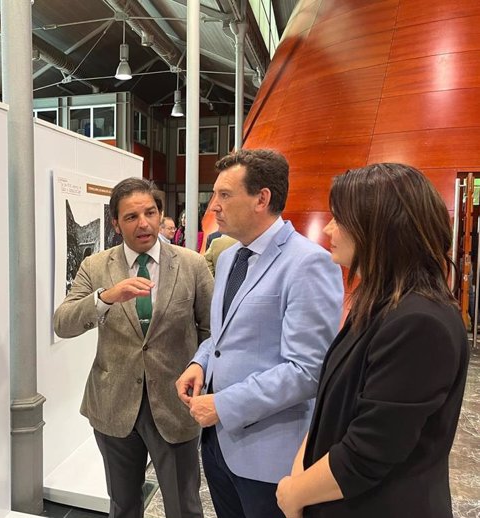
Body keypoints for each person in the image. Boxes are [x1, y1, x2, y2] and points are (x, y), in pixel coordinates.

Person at [275, 163, 470, 518]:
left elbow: (370, 449)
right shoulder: (379, 303)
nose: (330, 228)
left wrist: (294, 493)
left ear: (379, 228)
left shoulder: (419, 323)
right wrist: (300, 474)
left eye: (340, 218)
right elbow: (333, 408)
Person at [175, 149, 344, 518]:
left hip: (270, 457)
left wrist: (224, 404)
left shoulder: (307, 264)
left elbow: (308, 370)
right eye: (214, 194)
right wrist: (199, 362)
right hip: (219, 447)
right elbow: (222, 335)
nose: (213, 205)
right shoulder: (229, 257)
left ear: (262, 198)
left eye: (224, 195)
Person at [54, 177, 214, 518]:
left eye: (150, 212)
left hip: (175, 404)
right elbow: (63, 322)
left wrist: (201, 375)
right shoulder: (95, 267)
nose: (143, 223)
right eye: (131, 216)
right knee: (123, 506)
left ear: (160, 214)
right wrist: (106, 298)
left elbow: (212, 332)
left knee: (184, 507)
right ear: (115, 222)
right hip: (113, 405)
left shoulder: (192, 264)